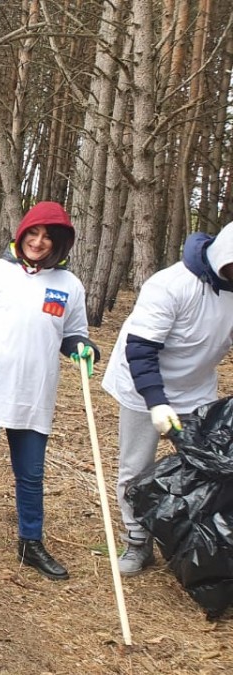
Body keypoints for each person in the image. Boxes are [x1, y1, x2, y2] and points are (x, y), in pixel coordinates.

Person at [0, 201, 98, 581]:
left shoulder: (68, 285)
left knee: (30, 474)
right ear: (22, 232)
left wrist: (83, 349)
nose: (39, 242)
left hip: (33, 393)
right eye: (34, 233)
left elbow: (73, 334)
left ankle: (30, 542)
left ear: (59, 243)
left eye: (48, 237)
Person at [101, 224, 233, 576]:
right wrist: (157, 403)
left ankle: (193, 543)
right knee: (136, 468)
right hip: (142, 386)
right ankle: (137, 542)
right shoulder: (170, 285)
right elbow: (141, 350)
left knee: (205, 467)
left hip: (196, 389)